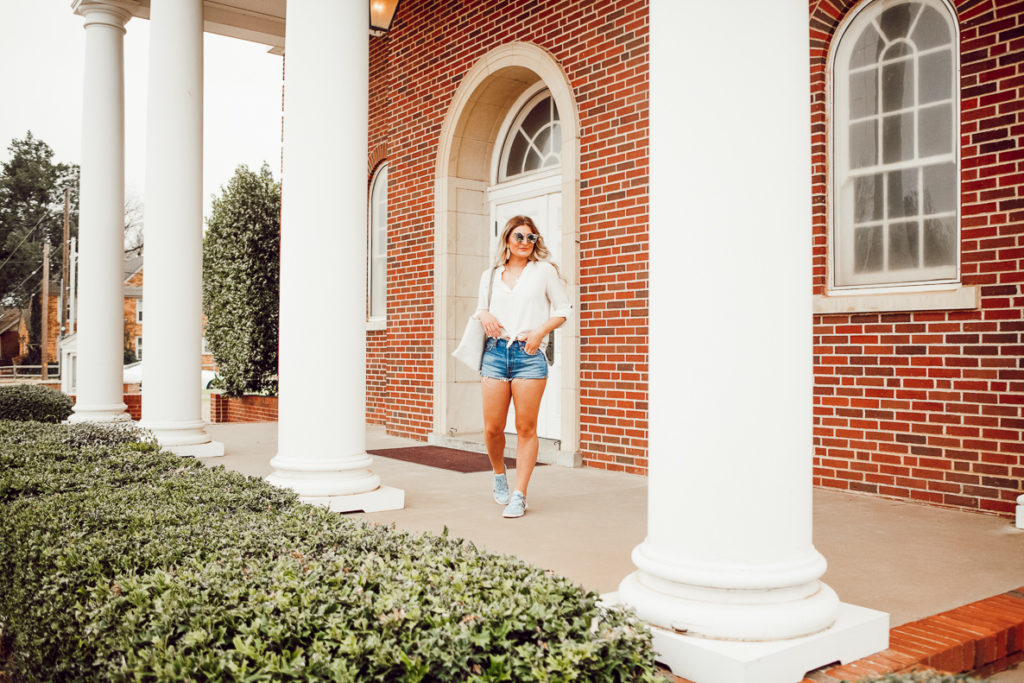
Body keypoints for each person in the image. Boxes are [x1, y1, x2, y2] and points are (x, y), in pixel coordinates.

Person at [474, 215, 571, 518]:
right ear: (507, 240)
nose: (526, 243)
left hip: (529, 356)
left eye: (531, 238)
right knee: (492, 428)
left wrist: (540, 332)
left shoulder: (543, 272)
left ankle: (520, 494)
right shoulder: (490, 275)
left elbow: (564, 308)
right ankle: (499, 473)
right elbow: (481, 310)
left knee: (526, 428)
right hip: (495, 353)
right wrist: (484, 316)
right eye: (519, 237)